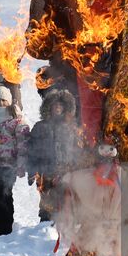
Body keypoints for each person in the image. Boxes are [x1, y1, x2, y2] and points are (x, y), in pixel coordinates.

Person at [27, 89, 84, 222]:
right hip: (45, 172)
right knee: (47, 206)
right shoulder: (40, 126)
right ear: (49, 107)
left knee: (68, 204)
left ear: (66, 107)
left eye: (60, 105)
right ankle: (44, 230)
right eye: (54, 105)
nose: (58, 107)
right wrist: (31, 170)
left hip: (67, 171)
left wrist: (79, 169)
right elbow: (32, 150)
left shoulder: (72, 127)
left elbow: (79, 150)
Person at [0, 85, 30, 238]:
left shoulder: (16, 119)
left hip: (9, 165)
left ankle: (6, 228)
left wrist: (21, 164)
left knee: (4, 195)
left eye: (3, 100)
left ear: (8, 101)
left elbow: (23, 144)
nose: (1, 103)